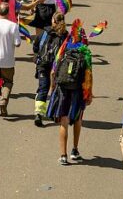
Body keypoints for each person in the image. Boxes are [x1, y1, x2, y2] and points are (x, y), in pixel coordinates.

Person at [48, 23, 92, 166]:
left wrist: (52, 86)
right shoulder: (85, 51)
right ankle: (75, 150)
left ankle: (63, 155)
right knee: (78, 119)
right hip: (78, 90)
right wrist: (89, 93)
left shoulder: (64, 48)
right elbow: (88, 75)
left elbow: (54, 70)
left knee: (64, 121)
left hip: (63, 89)